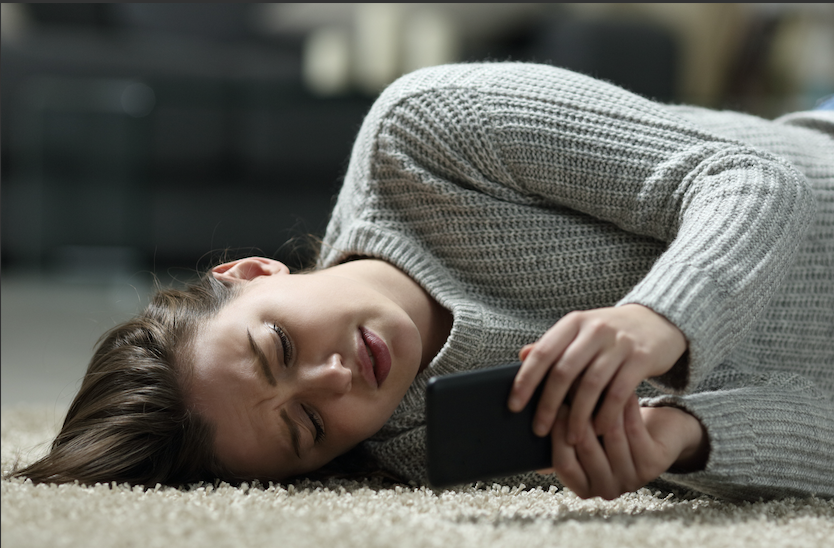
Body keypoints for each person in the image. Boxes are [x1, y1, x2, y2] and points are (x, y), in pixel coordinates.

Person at [10, 62, 833, 501]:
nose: (334, 380)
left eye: (280, 346)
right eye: (307, 427)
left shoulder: (428, 134)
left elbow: (755, 181)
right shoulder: (435, 448)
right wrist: (685, 442)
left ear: (255, 273)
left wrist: (660, 318)